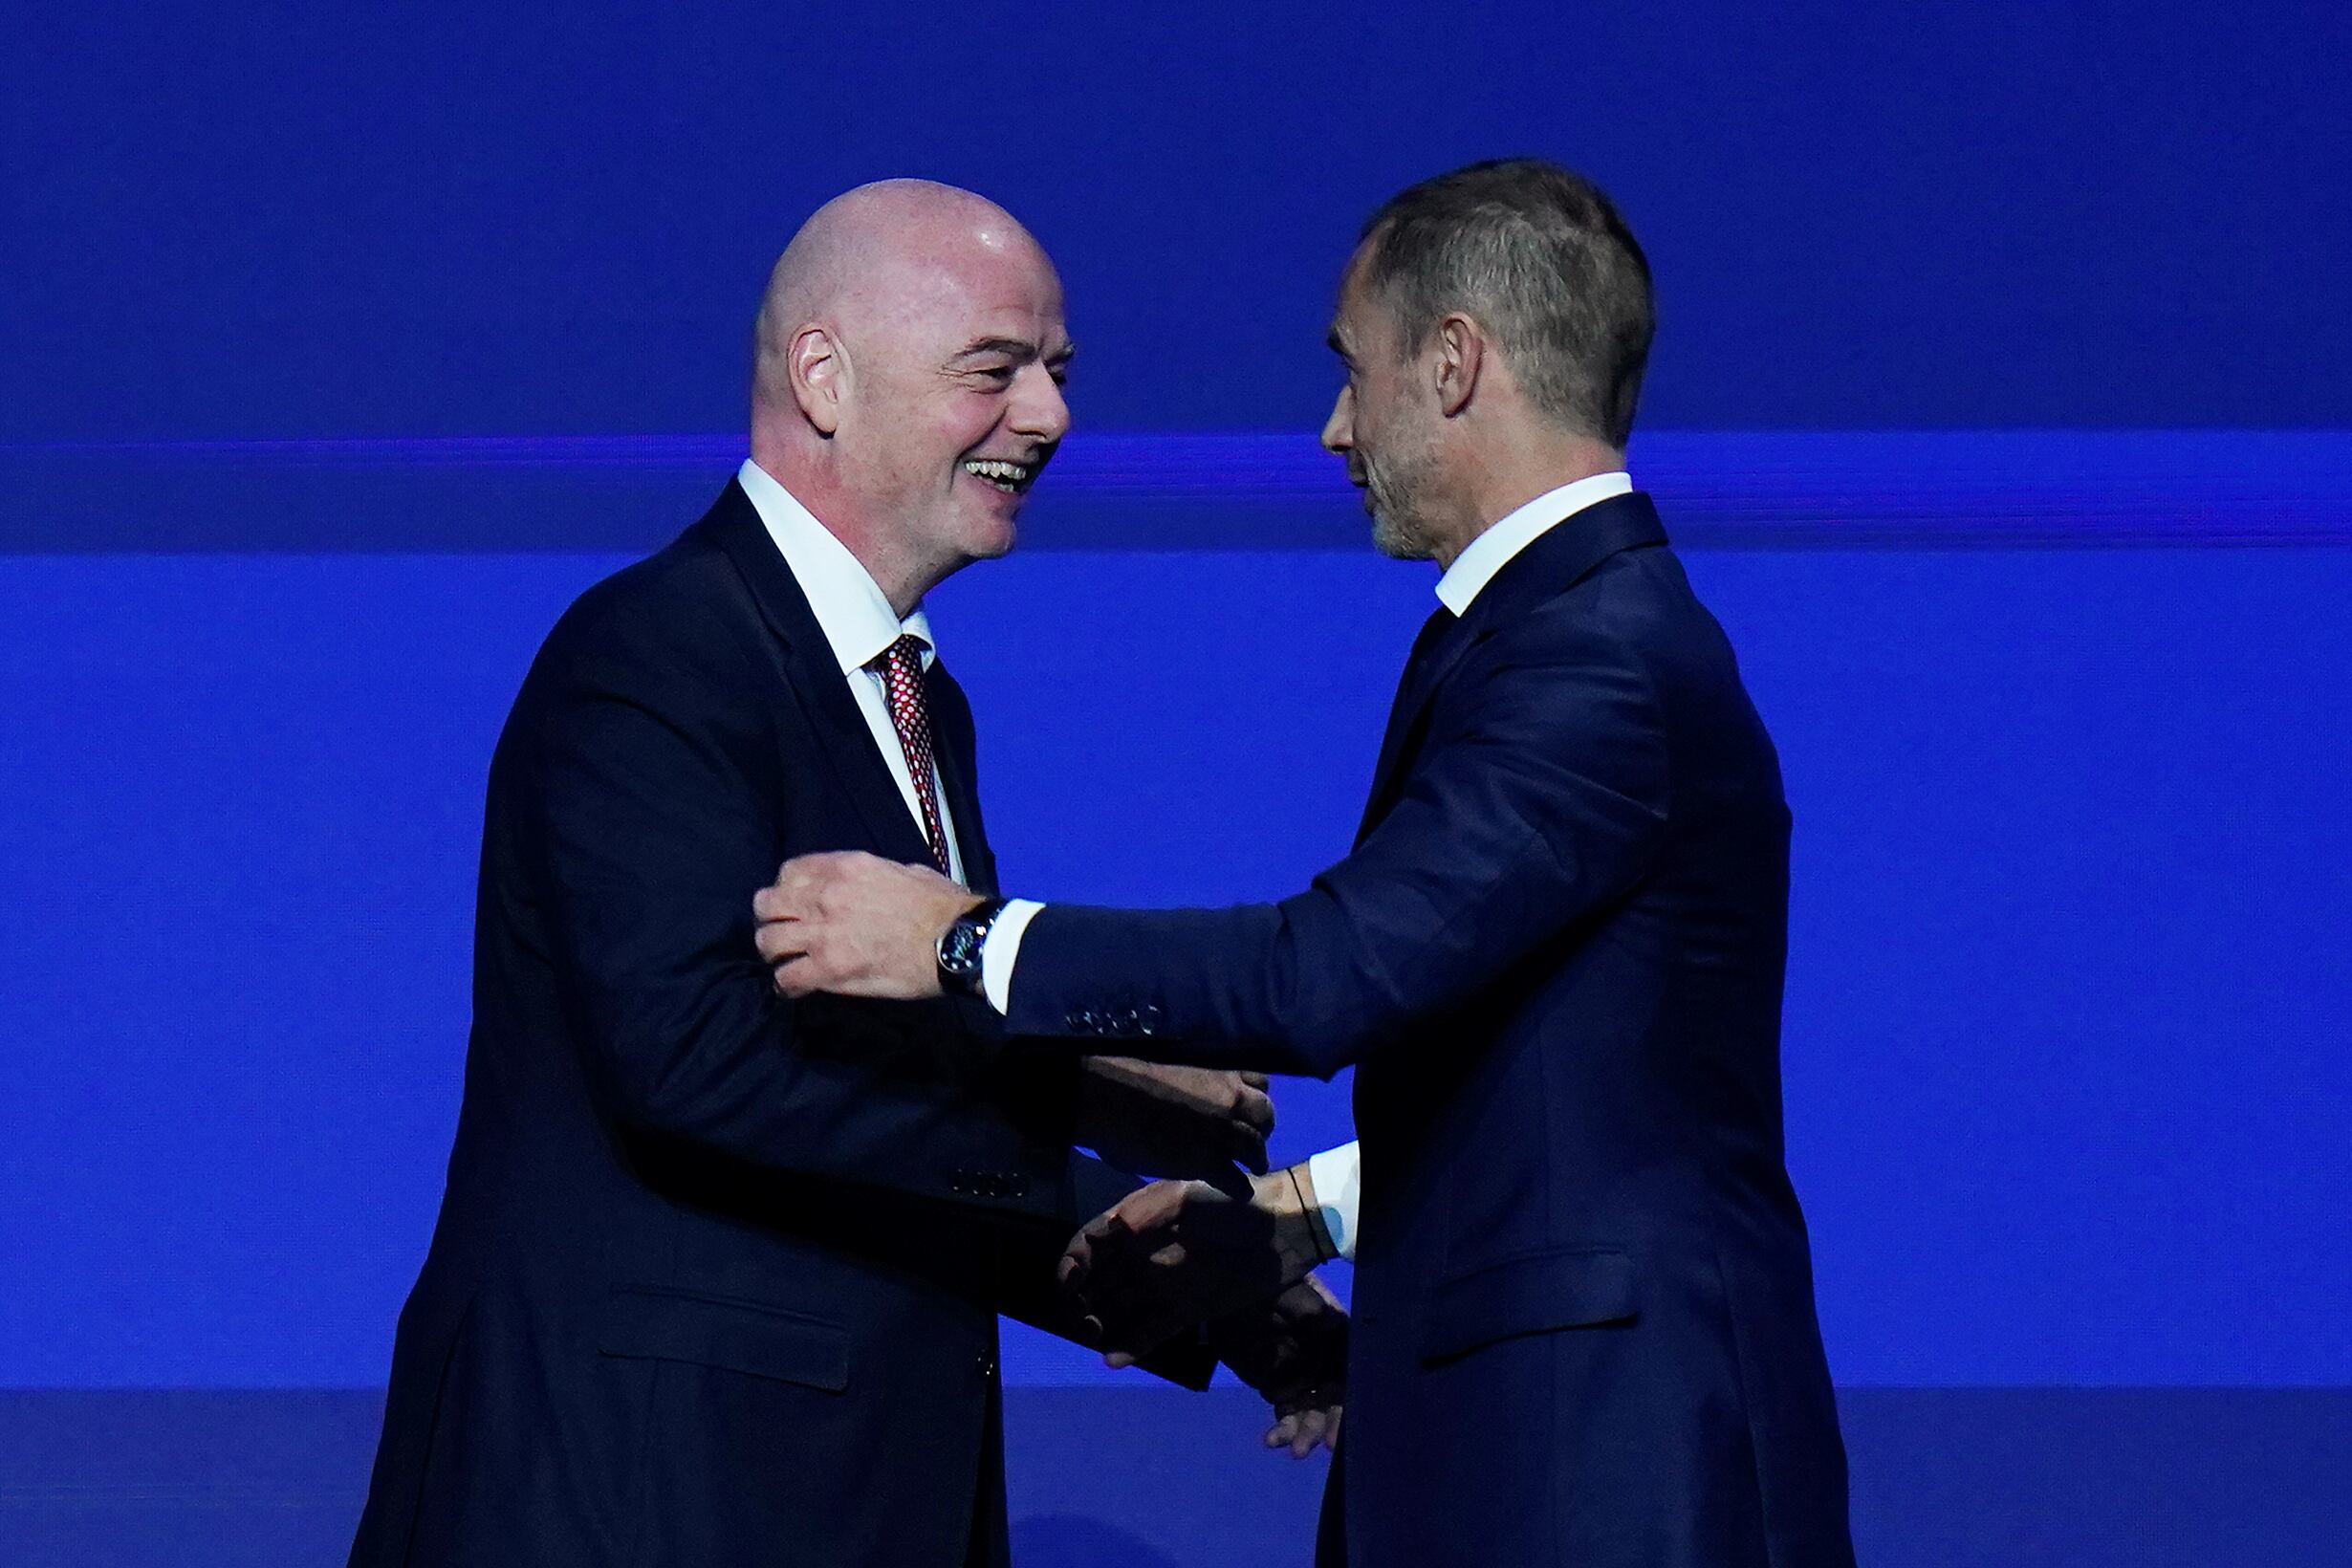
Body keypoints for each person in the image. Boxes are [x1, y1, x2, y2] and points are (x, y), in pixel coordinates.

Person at [754, 158, 1857, 1567]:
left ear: (1454, 363)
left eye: (1356, 370)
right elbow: (1564, 1083)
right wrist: (1299, 1216)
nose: (1337, 429)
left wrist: (966, 943)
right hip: (1541, 1447)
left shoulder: (1595, 658)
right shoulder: (1555, 637)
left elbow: (1334, 972)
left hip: (1601, 1468)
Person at [347, 179, 1339, 1568]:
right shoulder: (661, 654)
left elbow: (876, 1102)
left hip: (823, 1494)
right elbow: (701, 1067)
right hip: (643, 1500)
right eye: (995, 370)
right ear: (825, 376)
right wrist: (1092, 1178)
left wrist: (1217, 1291)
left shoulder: (915, 697)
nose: (1050, 418)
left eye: (1058, 373)